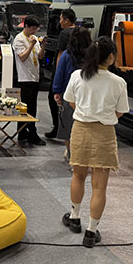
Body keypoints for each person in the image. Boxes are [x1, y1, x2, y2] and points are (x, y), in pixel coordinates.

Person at [61, 36, 129, 247]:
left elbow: (71, 101)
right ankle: (91, 231)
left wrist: (86, 113)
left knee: (78, 175)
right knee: (99, 186)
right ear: (110, 57)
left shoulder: (77, 76)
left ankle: (74, 217)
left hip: (80, 129)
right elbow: (120, 112)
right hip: (104, 133)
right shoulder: (118, 82)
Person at [52, 27, 91, 162]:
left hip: (69, 94)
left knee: (68, 127)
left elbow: (59, 74)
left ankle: (70, 154)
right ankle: (83, 155)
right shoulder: (92, 56)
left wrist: (57, 91)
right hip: (87, 95)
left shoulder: (66, 55)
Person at [12, 16, 46, 146]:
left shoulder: (34, 38)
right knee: (29, 108)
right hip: (24, 78)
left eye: (36, 29)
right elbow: (22, 57)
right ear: (26, 26)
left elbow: (40, 56)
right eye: (32, 29)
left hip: (34, 76)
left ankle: (22, 132)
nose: (34, 31)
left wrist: (43, 46)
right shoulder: (19, 39)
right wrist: (31, 44)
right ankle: (32, 134)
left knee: (29, 107)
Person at [46, 8, 77, 139]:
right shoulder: (81, 32)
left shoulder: (64, 34)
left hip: (64, 71)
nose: (59, 22)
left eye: (61, 19)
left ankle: (57, 127)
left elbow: (60, 54)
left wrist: (57, 74)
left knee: (54, 98)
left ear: (67, 20)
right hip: (77, 72)